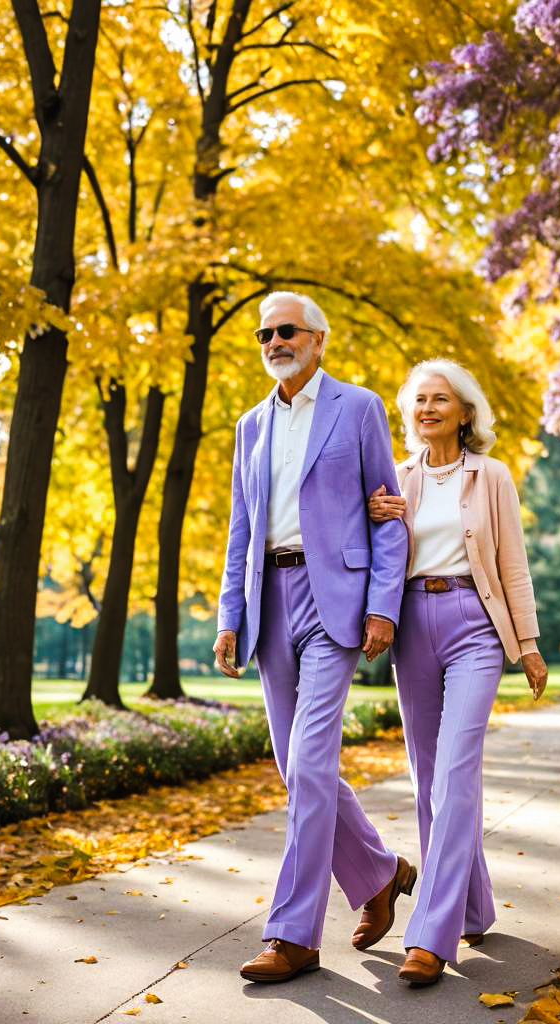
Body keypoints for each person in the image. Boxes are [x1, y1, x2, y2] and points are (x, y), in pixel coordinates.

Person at [214, 291, 416, 984]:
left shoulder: (357, 408)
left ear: (319, 340)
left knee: (308, 764)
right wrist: (230, 616)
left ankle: (293, 935)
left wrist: (383, 606)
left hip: (336, 603)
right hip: (270, 600)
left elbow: (388, 514)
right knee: (294, 766)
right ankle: (381, 873)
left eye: (287, 330)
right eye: (265, 332)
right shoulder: (249, 426)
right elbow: (242, 526)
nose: (274, 340)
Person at [367, 358, 548, 986]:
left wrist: (526, 643)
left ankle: (432, 935)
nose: (427, 409)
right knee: (427, 780)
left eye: (440, 399)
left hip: (474, 620)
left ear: (466, 412)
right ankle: (472, 906)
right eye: (419, 400)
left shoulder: (491, 476)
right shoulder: (395, 478)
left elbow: (514, 565)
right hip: (413, 624)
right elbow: (378, 556)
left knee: (456, 767)